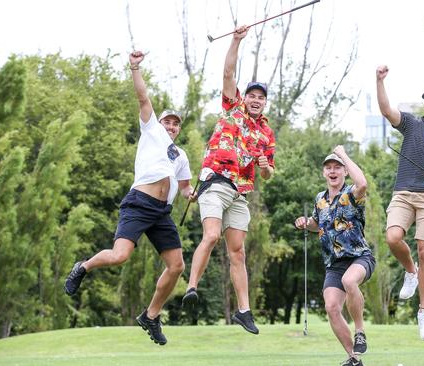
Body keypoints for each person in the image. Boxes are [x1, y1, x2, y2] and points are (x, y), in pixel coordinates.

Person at [63, 51, 193, 346]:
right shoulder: (150, 131)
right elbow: (144, 98)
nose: (171, 127)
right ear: (159, 123)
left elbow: (184, 188)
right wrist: (135, 67)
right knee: (120, 256)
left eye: (176, 124)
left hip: (162, 212)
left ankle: (151, 315)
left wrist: (192, 194)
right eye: (168, 122)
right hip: (139, 203)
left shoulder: (181, 155)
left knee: (177, 266)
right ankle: (82, 267)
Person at [181, 25, 275, 335]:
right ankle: (192, 288)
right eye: (252, 94)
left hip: (240, 192)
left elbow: (268, 172)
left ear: (265, 102)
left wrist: (264, 167)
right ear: (244, 98)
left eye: (261, 96)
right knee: (210, 237)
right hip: (216, 181)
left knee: (238, 251)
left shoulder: (266, 132)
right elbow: (228, 73)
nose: (256, 99)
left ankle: (244, 311)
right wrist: (235, 40)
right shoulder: (233, 107)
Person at [376, 65, 424, 341]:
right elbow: (386, 111)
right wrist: (379, 81)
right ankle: (410, 272)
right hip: (403, 192)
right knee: (393, 237)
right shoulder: (411, 124)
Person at [294, 146, 374, 366]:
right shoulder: (320, 199)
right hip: (334, 264)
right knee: (331, 307)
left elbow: (363, 184)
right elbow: (316, 224)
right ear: (323, 173)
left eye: (337, 167)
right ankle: (354, 359)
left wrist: (344, 156)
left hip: (359, 257)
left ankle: (360, 331)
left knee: (350, 281)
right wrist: (304, 223)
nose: (332, 171)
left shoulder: (351, 194)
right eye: (328, 167)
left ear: (344, 171)